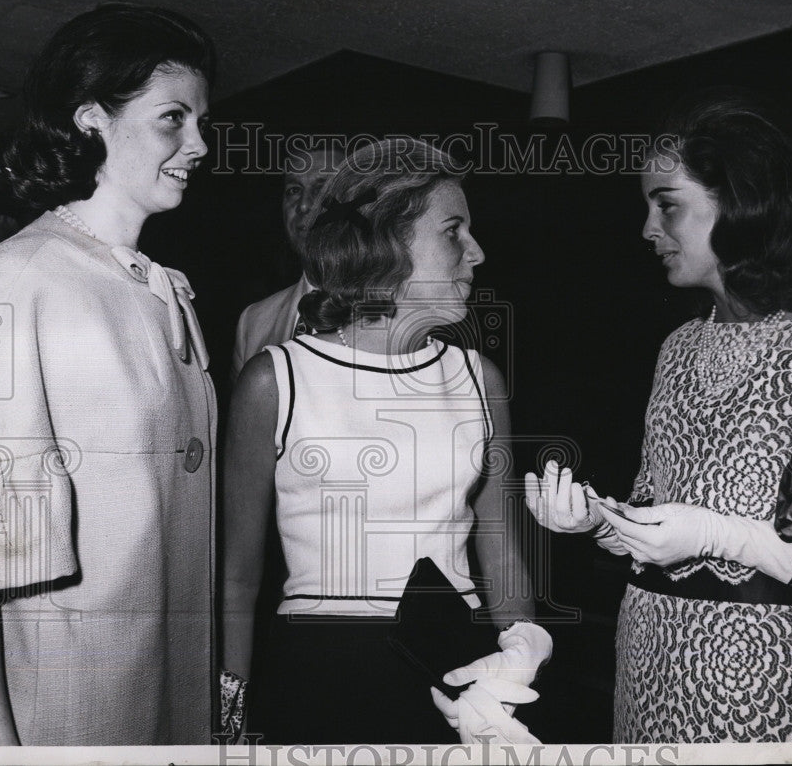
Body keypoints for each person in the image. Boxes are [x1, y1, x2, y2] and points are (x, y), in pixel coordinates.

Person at [525, 92, 792, 742]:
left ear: (737, 202)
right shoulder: (677, 349)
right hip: (647, 652)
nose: (648, 229)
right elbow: (655, 512)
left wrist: (715, 534)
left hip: (762, 678)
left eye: (667, 205)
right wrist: (598, 520)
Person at [222, 138, 551, 745]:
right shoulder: (275, 378)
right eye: (453, 231)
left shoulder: (480, 378)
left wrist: (520, 652)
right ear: (385, 241)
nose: (476, 253)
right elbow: (239, 574)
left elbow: (500, 544)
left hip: (455, 667)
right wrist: (230, 712)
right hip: (317, 669)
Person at [0, 3, 217, 746]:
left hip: (170, 702)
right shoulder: (19, 282)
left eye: (201, 120)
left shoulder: (164, 285)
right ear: (90, 118)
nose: (198, 143)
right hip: (71, 715)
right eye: (173, 118)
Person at [230, 140, 345, 381]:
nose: (303, 205)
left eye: (322, 188)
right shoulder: (253, 322)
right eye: (293, 189)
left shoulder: (392, 311)